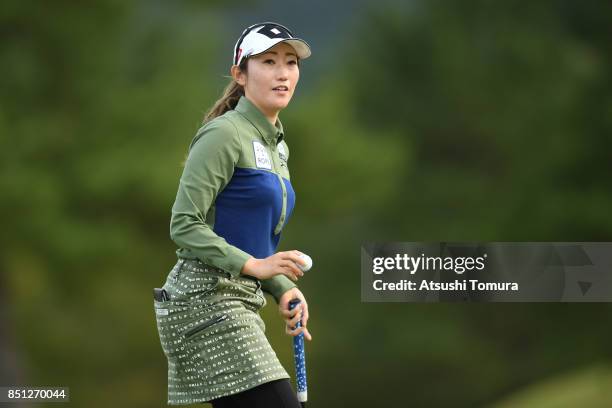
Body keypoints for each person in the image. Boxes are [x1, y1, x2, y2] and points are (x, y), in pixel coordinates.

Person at [153, 22, 312, 407]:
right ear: (240, 74)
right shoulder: (224, 134)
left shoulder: (279, 148)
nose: (282, 72)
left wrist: (281, 286)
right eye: (269, 61)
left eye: (290, 62)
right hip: (202, 299)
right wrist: (257, 267)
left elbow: (250, 237)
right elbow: (184, 224)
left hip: (239, 300)